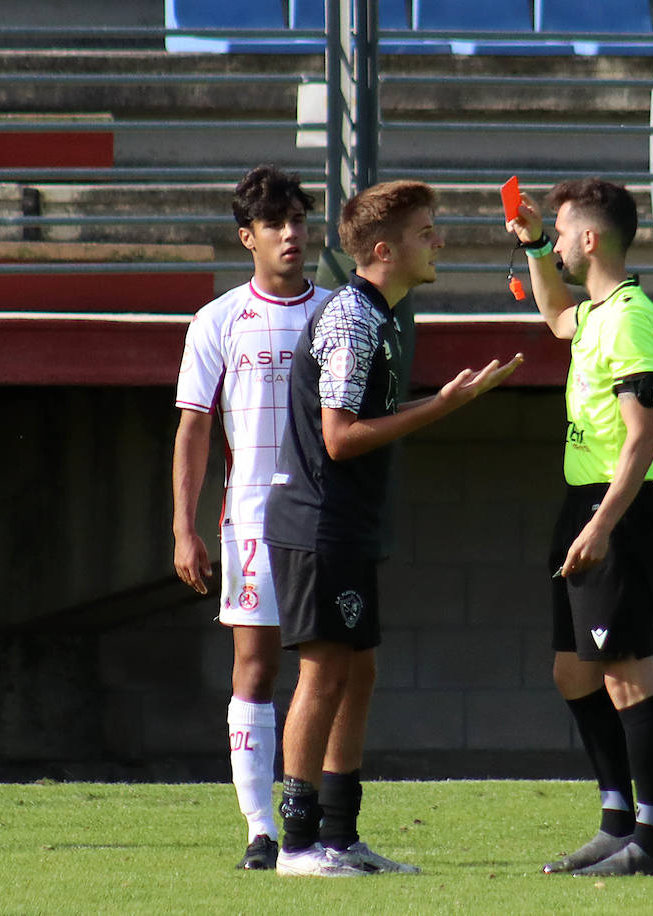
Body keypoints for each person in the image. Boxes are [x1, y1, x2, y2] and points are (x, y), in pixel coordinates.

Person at [266, 179, 523, 878]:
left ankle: (342, 838)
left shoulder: (379, 316)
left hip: (344, 525)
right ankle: (296, 844)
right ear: (383, 250)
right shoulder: (353, 318)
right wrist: (443, 405)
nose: (437, 242)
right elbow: (341, 437)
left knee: (359, 670)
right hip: (318, 523)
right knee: (323, 672)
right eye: (424, 233)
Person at [506, 178, 653, 877]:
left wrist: (605, 524)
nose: (558, 239)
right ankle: (615, 821)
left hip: (620, 508)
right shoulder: (596, 310)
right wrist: (536, 246)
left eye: (562, 228)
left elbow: (641, 440)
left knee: (626, 674)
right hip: (583, 503)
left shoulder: (633, 315)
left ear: (592, 238)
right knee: (573, 672)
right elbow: (553, 316)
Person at [173, 164, 332, 871]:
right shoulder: (217, 320)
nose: (291, 234)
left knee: (331, 668)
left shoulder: (337, 312)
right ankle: (260, 828)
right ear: (249, 237)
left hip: (327, 521)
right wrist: (184, 526)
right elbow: (194, 428)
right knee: (256, 666)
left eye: (298, 220)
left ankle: (321, 822)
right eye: (275, 224)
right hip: (252, 525)